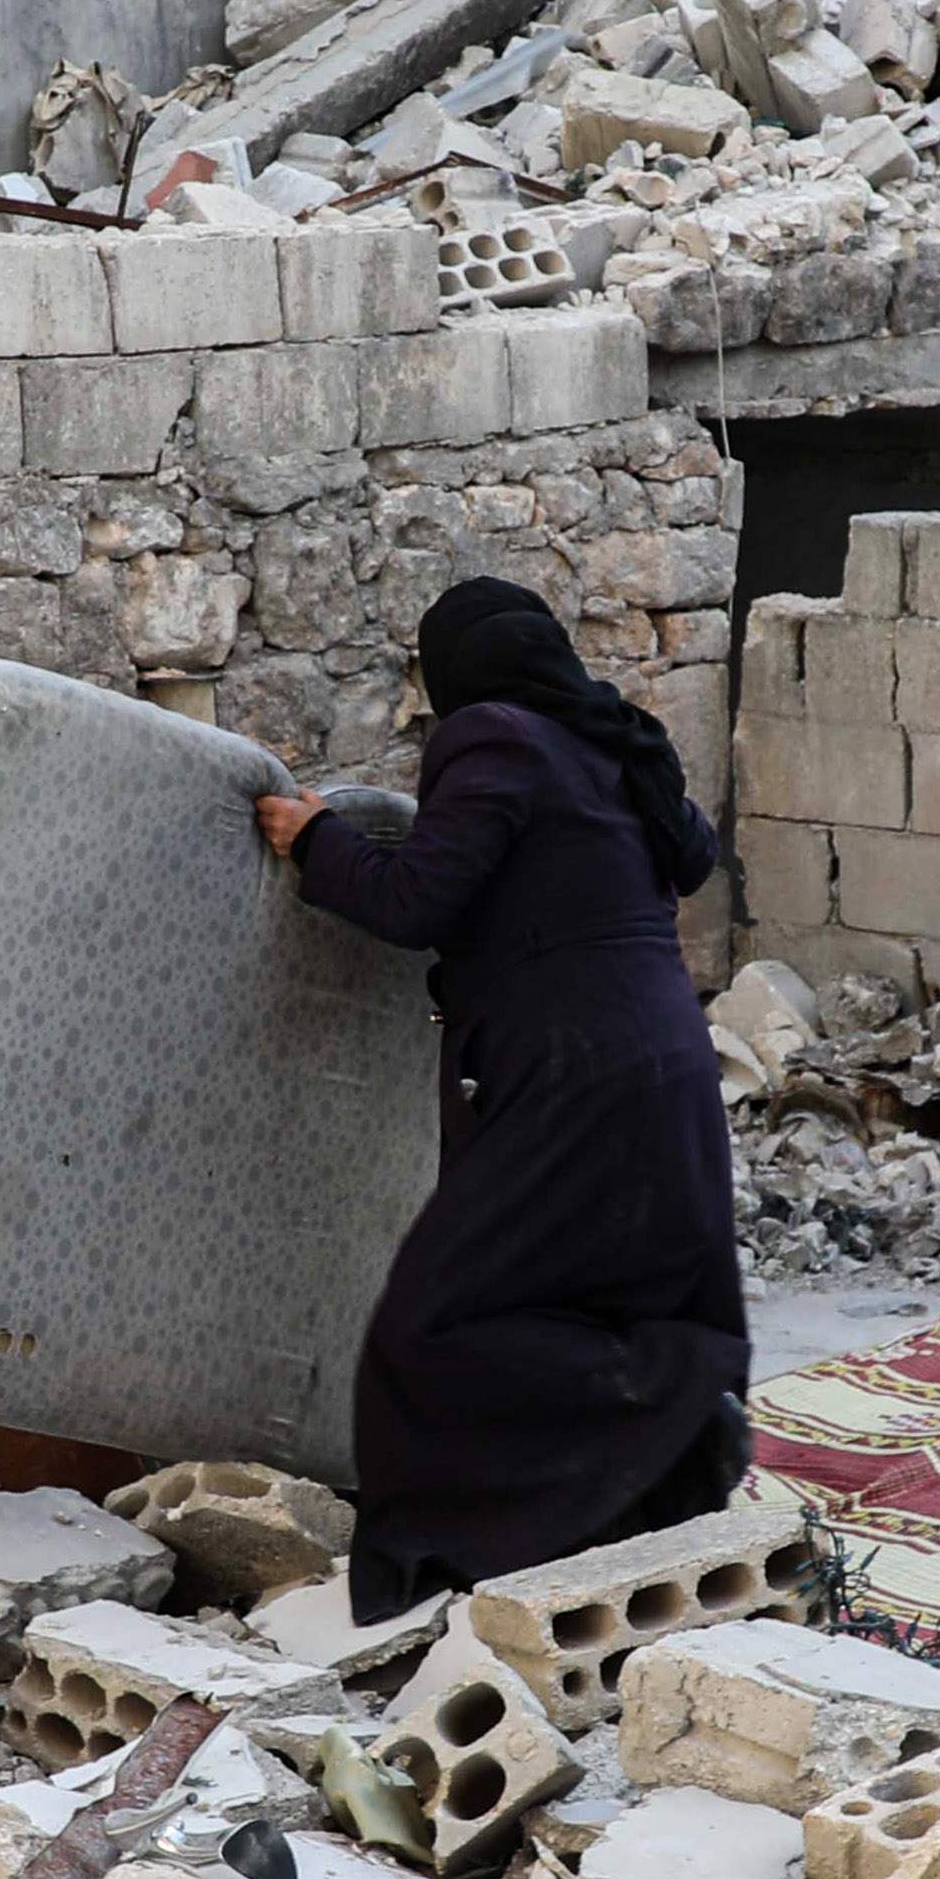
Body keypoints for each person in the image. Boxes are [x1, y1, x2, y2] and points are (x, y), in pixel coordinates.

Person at [255, 575, 750, 1618]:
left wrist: (316, 837)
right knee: (610, 1292)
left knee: (435, 1323)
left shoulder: (491, 737)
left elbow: (417, 898)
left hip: (572, 1075)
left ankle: (446, 1558)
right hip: (667, 1064)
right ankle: (668, 1461)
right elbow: (693, 854)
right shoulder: (613, 739)